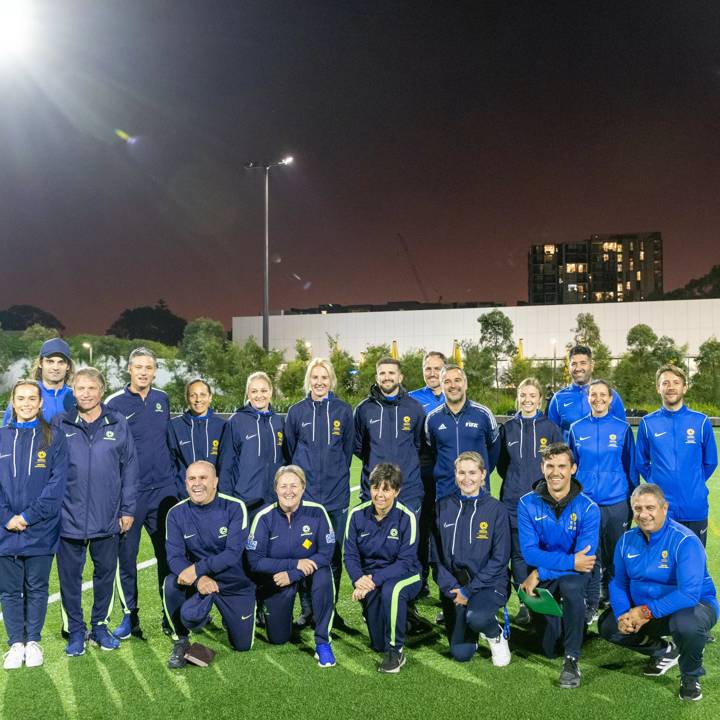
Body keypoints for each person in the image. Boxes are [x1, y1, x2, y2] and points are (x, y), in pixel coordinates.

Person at [599, 484, 719, 702]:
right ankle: (664, 650)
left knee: (686, 625)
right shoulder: (626, 540)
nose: (644, 515)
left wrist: (644, 612)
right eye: (638, 509)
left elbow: (689, 594)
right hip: (648, 609)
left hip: (694, 607)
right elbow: (618, 582)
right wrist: (623, 614)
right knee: (609, 626)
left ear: (664, 508)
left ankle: (690, 676)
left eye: (650, 508)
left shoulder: (685, 541)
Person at [55, 368, 137, 655]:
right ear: (73, 392)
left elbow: (130, 469)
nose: (86, 393)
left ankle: (100, 625)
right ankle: (76, 631)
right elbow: (51, 472)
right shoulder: (60, 422)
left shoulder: (117, 421)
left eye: (92, 388)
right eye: (80, 388)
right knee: (69, 578)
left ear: (102, 390)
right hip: (68, 517)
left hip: (108, 516)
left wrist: (127, 509)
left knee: (105, 575)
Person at [106, 347, 176, 639]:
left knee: (169, 556)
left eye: (149, 367)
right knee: (127, 557)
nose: (144, 372)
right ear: (130, 370)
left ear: (155, 370)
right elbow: (109, 450)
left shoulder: (163, 399)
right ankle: (129, 616)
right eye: (139, 367)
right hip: (131, 495)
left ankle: (169, 614)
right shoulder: (115, 403)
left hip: (163, 492)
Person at [517, 442, 599, 689]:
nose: (556, 472)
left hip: (572, 574)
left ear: (573, 469)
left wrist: (541, 571)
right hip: (552, 570)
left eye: (562, 466)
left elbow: (583, 561)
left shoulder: (589, 508)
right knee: (549, 648)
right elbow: (530, 553)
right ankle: (562, 628)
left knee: (572, 588)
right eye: (550, 465)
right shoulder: (526, 504)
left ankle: (572, 659)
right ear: (542, 468)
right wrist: (552, 566)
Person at [0, 380, 68, 670]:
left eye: (32, 398)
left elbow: (56, 485)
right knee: (9, 590)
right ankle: (16, 642)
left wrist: (28, 517)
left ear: (41, 403)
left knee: (38, 587)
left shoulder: (53, 437)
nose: (26, 403)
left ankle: (33, 642)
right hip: (4, 529)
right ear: (12, 402)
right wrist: (6, 518)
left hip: (40, 527)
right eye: (21, 398)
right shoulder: (1, 436)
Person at [164, 461, 256, 668]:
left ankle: (229, 614)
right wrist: (199, 579)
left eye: (203, 478)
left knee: (243, 645)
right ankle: (181, 639)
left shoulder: (234, 507)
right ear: (186, 483)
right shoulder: (176, 513)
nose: (197, 484)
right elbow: (174, 558)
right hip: (201, 582)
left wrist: (197, 569)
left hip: (234, 582)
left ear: (215, 482)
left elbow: (232, 554)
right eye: (192, 479)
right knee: (171, 583)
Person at [284, 358, 353, 626]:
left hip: (336, 497)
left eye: (324, 377)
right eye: (315, 377)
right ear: (308, 381)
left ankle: (330, 611)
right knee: (304, 553)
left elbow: (346, 453)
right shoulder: (296, 412)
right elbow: (290, 452)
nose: (320, 382)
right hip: (306, 498)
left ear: (331, 380)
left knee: (333, 555)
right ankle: (307, 610)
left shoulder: (344, 411)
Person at [246, 465, 337, 667]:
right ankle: (274, 612)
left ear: (303, 488)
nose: (289, 491)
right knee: (279, 638)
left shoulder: (317, 512)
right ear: (276, 489)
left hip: (308, 573)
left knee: (324, 575)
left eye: (294, 485)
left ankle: (322, 642)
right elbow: (255, 561)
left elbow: (326, 553)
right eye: (284, 486)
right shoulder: (263, 518)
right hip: (279, 579)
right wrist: (294, 565)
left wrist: (294, 573)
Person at [433, 452, 512, 667]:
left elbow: (500, 559)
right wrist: (452, 588)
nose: (467, 479)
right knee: (461, 653)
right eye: (461, 472)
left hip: (489, 584)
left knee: (476, 617)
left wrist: (470, 590)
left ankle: (495, 634)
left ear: (483, 474)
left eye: (472, 473)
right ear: (455, 474)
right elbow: (436, 557)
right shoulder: (441, 506)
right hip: (455, 587)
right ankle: (470, 627)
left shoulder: (497, 509)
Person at [569, 379, 638, 622]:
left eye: (602, 395)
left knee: (616, 554)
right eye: (593, 395)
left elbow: (631, 468)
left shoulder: (622, 428)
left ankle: (614, 599)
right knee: (590, 554)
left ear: (610, 399)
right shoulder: (577, 429)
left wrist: (632, 501)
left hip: (617, 502)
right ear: (588, 398)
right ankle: (592, 602)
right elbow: (572, 468)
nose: (597, 399)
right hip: (586, 503)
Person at [344, 463, 421, 673]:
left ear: (396, 491)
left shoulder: (407, 517)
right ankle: (403, 621)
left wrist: (371, 581)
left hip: (406, 574)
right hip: (370, 578)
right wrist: (358, 578)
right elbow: (350, 554)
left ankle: (396, 652)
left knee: (392, 591)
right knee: (378, 643)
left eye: (386, 489)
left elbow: (405, 562)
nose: (380, 495)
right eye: (376, 488)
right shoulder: (357, 514)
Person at [497, 377, 562, 625]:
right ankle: (525, 603)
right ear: (518, 397)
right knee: (518, 555)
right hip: (513, 502)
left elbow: (558, 467)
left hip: (543, 502)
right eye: (523, 395)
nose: (527, 400)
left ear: (540, 399)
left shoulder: (551, 428)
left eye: (532, 395)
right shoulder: (508, 428)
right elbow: (503, 465)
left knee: (544, 551)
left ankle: (544, 601)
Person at [636, 365, 718, 545]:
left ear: (684, 387)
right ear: (658, 388)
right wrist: (656, 481)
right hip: (661, 508)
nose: (671, 387)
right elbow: (641, 462)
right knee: (662, 565)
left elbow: (710, 462)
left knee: (693, 563)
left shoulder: (701, 421)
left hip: (694, 507)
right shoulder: (648, 423)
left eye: (676, 382)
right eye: (665, 383)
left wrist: (693, 481)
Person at [354, 357, 425, 517]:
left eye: (391, 373)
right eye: (382, 373)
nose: (387, 377)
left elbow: (418, 445)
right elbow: (359, 447)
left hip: (408, 491)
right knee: (373, 541)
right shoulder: (363, 409)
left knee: (408, 541)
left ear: (400, 377)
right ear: (376, 377)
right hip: (374, 491)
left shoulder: (415, 408)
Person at [425, 364, 500, 499]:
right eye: (447, 382)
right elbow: (432, 453)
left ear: (465, 384)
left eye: (457, 380)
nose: (453, 385)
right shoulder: (432, 419)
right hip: (445, 493)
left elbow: (494, 450)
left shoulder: (484, 414)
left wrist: (477, 473)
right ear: (441, 387)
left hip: (479, 492)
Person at [218, 372, 285, 518]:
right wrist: (226, 502)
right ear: (248, 393)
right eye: (254, 391)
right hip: (245, 502)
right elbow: (226, 466)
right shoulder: (236, 421)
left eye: (263, 390)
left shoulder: (278, 422)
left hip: (275, 501)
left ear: (271, 391)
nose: (259, 395)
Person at [409, 351, 446, 597]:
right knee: (420, 529)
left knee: (444, 528)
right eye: (428, 368)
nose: (432, 373)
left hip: (446, 473)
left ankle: (444, 579)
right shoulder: (412, 399)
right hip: (420, 472)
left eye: (437, 368)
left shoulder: (455, 394)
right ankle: (419, 579)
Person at [547, 345, 626, 440]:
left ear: (591, 366)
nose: (578, 368)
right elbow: (551, 438)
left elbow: (622, 433)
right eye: (574, 364)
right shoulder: (557, 399)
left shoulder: (610, 395)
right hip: (569, 454)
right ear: (569, 367)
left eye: (583, 363)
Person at [167, 379, 226, 496]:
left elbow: (226, 464)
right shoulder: (175, 426)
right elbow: (170, 463)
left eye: (202, 395)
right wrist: (178, 489)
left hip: (213, 495)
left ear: (210, 397)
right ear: (187, 398)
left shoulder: (222, 426)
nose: (198, 399)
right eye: (193, 395)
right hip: (184, 495)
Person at [2, 338, 75, 426]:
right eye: (50, 361)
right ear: (40, 363)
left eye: (61, 362)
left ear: (68, 366)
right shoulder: (25, 395)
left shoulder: (76, 397)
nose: (55, 367)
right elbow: (6, 434)